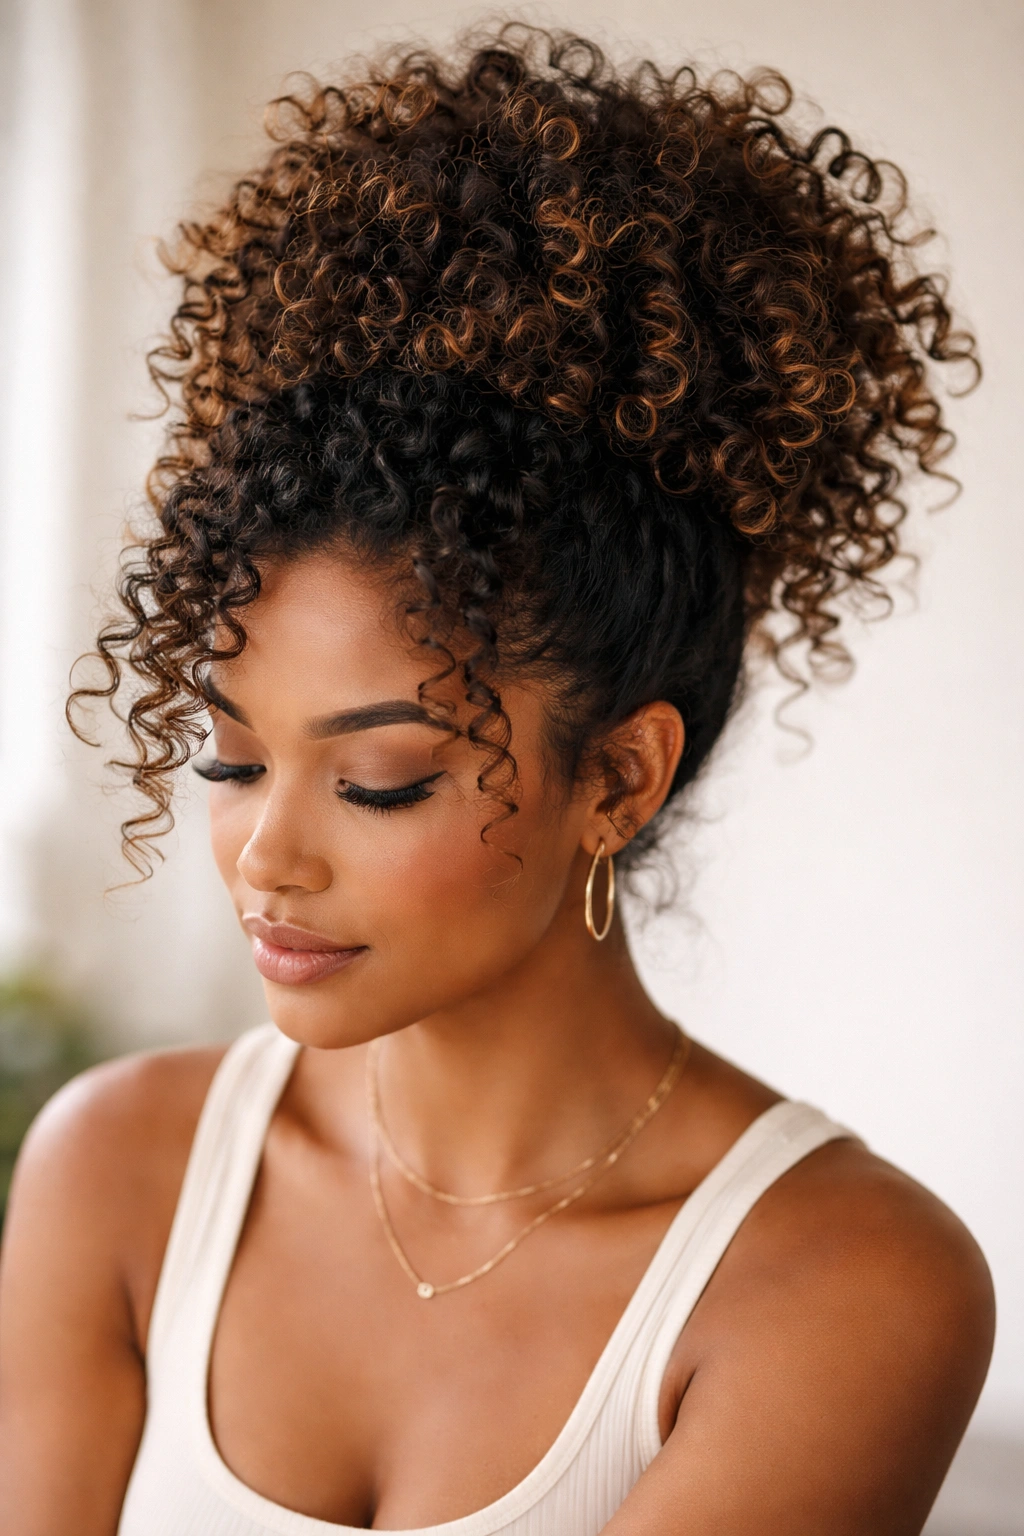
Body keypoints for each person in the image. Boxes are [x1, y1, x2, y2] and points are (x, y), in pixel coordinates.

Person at [0, 30, 994, 1536]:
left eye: (381, 781)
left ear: (619, 775)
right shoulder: (119, 1172)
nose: (264, 858)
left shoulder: (840, 1283)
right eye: (231, 755)